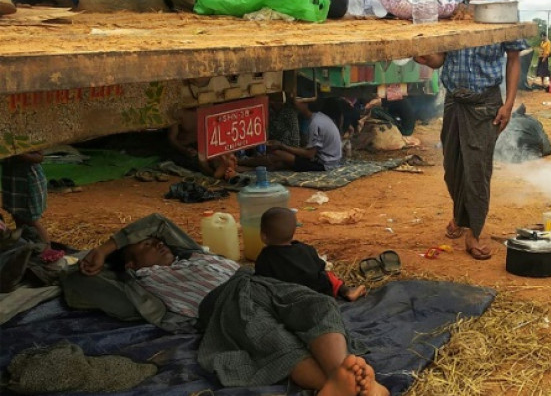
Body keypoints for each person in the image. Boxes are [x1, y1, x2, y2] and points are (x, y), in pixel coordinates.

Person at [72, 213, 387, 395]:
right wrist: (102, 252)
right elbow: (80, 281)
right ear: (130, 265)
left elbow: (158, 223)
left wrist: (115, 243)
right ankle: (346, 386)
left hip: (253, 281)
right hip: (224, 304)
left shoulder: (190, 253)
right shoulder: (141, 284)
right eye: (144, 245)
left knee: (316, 305)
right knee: (269, 337)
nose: (156, 242)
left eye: (154, 240)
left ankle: (339, 378)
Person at [413, 0, 527, 260]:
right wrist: (420, 55)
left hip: (485, 104)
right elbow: (439, 60)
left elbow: (514, 58)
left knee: (477, 172)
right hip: (455, 101)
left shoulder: (500, 11)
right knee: (453, 167)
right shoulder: (450, 9)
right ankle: (460, 214)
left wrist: (508, 104)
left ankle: (474, 232)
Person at [255, 207, 366, 302]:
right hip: (320, 294)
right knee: (327, 275)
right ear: (294, 231)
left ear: (263, 236)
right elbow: (320, 266)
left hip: (288, 299)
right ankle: (346, 291)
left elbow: (262, 281)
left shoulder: (265, 257)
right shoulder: (306, 249)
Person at [242, 100, 343, 172]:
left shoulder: (315, 123)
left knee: (278, 154)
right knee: (281, 161)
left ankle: (242, 162)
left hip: (325, 164)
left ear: (305, 104)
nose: (294, 101)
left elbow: (310, 154)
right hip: (329, 160)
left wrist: (282, 145)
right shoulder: (319, 117)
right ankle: (247, 167)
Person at [1, 151, 49, 245]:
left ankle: (48, 249)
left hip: (28, 181)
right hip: (12, 181)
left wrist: (21, 154)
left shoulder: (27, 137)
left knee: (30, 219)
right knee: (17, 216)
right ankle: (27, 246)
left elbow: (39, 157)